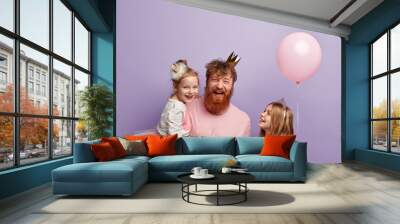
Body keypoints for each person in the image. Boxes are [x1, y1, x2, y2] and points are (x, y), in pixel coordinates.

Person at [186, 52, 251, 136]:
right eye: (215, 79)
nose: (219, 86)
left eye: (226, 81)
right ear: (207, 82)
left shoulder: (243, 120)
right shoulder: (187, 109)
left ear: (232, 86)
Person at [157, 60, 199, 137]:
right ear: (175, 86)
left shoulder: (175, 101)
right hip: (169, 145)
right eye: (186, 87)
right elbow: (174, 135)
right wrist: (187, 132)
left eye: (195, 87)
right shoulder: (176, 108)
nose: (191, 91)